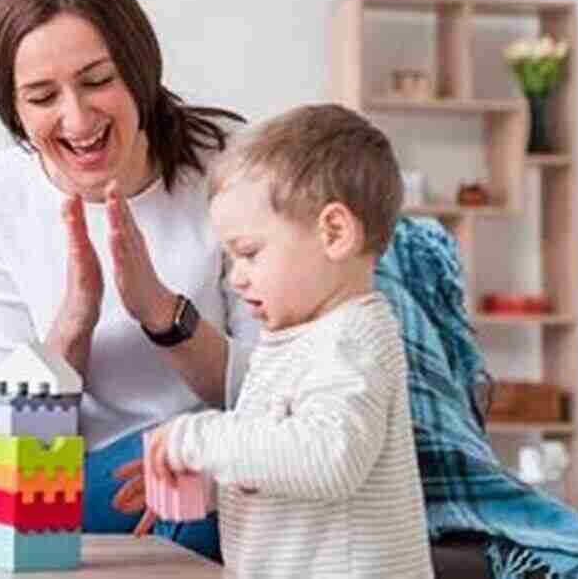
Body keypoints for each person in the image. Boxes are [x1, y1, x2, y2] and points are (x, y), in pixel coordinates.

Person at [0, 0, 256, 560]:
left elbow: (271, 394)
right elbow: (15, 439)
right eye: (41, 97)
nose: (77, 117)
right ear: (14, 109)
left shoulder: (233, 165)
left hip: (220, 459)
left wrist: (164, 315)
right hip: (67, 475)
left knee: (191, 505)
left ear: (138, 70)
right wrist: (75, 321)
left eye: (96, 81)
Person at [142, 103, 433, 577]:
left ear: (334, 233)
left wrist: (198, 437)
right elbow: (285, 466)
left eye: (249, 254)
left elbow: (329, 456)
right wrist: (211, 477)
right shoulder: (294, 340)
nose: (236, 279)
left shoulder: (351, 338)